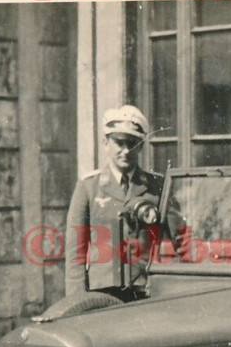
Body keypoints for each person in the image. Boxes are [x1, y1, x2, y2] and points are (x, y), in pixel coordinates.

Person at [65, 105, 177, 296]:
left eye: (132, 143)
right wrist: (77, 298)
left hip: (147, 289)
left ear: (141, 146)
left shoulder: (157, 186)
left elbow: (177, 240)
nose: (126, 151)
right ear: (105, 142)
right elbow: (76, 251)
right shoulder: (89, 186)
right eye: (119, 142)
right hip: (102, 291)